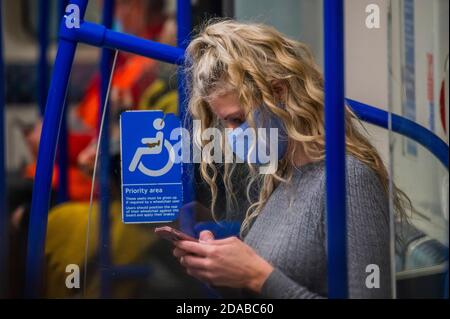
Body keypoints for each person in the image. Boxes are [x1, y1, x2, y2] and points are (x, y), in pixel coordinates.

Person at [172, 20, 411, 299]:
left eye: (238, 119)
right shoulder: (283, 177)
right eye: (226, 123)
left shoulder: (348, 178)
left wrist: (255, 275)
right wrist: (222, 271)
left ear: (279, 93)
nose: (232, 135)